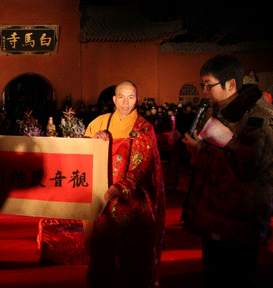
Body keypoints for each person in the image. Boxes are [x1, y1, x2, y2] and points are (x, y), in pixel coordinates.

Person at [181, 54, 273, 288]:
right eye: (203, 85)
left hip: (241, 220)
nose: (204, 92)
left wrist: (200, 150)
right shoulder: (218, 108)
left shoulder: (259, 116)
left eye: (209, 85)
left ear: (231, 84)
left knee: (239, 278)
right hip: (214, 218)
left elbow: (246, 168)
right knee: (213, 276)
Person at [84, 81, 165, 288]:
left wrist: (122, 186)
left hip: (132, 200)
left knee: (132, 254)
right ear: (114, 99)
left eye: (130, 97)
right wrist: (95, 140)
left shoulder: (143, 126)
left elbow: (142, 163)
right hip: (104, 198)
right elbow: (84, 152)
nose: (125, 102)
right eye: (121, 96)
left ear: (137, 99)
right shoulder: (99, 123)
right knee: (102, 251)